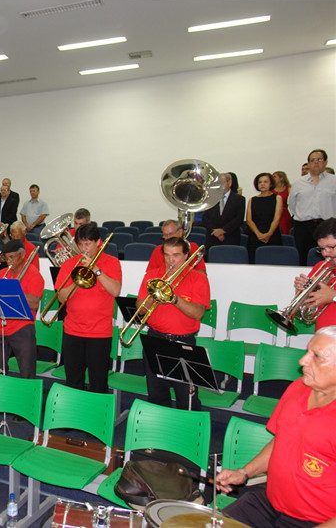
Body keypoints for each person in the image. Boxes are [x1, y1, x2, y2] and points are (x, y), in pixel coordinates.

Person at [216, 327, 336, 528]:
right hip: (269, 503)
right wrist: (244, 472)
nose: (303, 360)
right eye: (307, 351)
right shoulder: (299, 386)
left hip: (315, 521)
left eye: (316, 356)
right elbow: (283, 439)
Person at [136, 237, 210, 410]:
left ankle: (188, 434)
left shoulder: (198, 279)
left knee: (187, 398)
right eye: (167, 255)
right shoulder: (152, 275)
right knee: (156, 394)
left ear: (186, 256)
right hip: (155, 339)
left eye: (176, 255)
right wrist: (150, 300)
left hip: (184, 343)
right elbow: (139, 309)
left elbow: (198, 313)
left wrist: (174, 299)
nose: (171, 261)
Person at [58, 224, 122, 393]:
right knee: (73, 381)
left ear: (98, 243)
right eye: (80, 244)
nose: (83, 249)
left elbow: (115, 291)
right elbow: (61, 297)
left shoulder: (112, 262)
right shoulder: (70, 264)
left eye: (88, 244)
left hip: (100, 333)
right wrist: (78, 278)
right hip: (72, 331)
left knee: (98, 382)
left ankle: (98, 418)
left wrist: (96, 271)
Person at [0, 240, 43, 379]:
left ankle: (28, 399)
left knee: (27, 372)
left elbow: (34, 304)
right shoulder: (2, 273)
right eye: (6, 258)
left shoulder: (33, 274)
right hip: (0, 327)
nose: (9, 261)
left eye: (12, 257)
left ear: (22, 255)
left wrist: (13, 290)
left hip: (22, 328)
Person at [289, 149, 336, 265]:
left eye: (319, 160)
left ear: (325, 162)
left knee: (329, 258)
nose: (316, 163)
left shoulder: (333, 181)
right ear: (308, 164)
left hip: (328, 226)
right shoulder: (298, 183)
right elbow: (292, 204)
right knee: (303, 257)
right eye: (312, 160)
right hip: (303, 226)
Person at [293, 218, 336, 331]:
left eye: (331, 247)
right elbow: (305, 309)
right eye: (322, 249)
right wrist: (304, 291)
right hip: (323, 338)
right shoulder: (321, 267)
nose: (325, 253)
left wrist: (333, 297)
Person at [201, 172, 246, 251]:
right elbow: (205, 218)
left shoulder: (239, 199)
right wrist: (216, 232)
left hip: (231, 238)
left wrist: (223, 230)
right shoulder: (210, 198)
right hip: (212, 238)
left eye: (222, 182)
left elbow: (238, 219)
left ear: (230, 183)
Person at [246, 172, 283, 263]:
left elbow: (276, 218)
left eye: (265, 182)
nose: (262, 184)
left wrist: (268, 234)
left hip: (272, 235)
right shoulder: (252, 200)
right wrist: (258, 234)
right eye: (260, 182)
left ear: (271, 184)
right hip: (255, 236)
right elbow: (249, 220)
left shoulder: (277, 198)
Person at [272, 171, 293, 235]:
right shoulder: (270, 190)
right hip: (272, 213)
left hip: (284, 214)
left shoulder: (289, 189)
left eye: (275, 177)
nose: (272, 178)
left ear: (281, 178)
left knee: (284, 232)